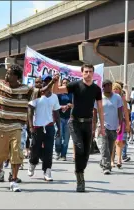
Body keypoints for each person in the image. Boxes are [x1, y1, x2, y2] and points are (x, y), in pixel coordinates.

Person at [0, 64, 56, 192]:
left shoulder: (26, 90)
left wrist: (53, 81)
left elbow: (42, 91)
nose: (6, 75)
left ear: (17, 77)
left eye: (9, 73)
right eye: (6, 73)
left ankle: (13, 180)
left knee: (16, 154)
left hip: (16, 127)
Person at [53, 63, 105, 192]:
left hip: (88, 123)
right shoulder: (75, 85)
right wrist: (55, 81)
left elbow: (99, 108)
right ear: (82, 73)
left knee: (86, 153)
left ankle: (79, 170)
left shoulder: (96, 89)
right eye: (85, 72)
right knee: (79, 148)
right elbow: (56, 90)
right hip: (74, 122)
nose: (88, 74)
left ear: (93, 73)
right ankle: (80, 178)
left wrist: (102, 126)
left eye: (90, 72)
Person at [27, 74, 61, 181]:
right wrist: (31, 126)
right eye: (45, 81)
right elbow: (30, 111)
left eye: (49, 81)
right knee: (35, 149)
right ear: (42, 82)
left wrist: (59, 128)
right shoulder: (36, 95)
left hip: (50, 127)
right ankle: (32, 163)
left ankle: (47, 171)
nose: (46, 82)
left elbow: (56, 113)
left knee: (49, 150)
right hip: (37, 127)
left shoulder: (54, 97)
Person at [93, 80, 123, 174]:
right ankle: (107, 167)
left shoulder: (117, 97)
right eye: (107, 85)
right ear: (103, 87)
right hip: (102, 125)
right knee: (104, 147)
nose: (109, 87)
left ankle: (103, 162)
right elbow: (94, 112)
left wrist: (120, 124)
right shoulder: (99, 98)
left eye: (110, 85)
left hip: (114, 126)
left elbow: (120, 112)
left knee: (110, 148)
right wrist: (94, 127)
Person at [55, 78, 73, 161]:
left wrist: (70, 105)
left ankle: (63, 154)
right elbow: (54, 105)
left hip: (69, 118)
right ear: (61, 84)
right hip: (60, 118)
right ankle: (58, 151)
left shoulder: (71, 94)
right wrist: (62, 107)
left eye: (67, 83)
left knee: (66, 138)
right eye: (64, 82)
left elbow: (75, 104)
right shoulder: (58, 94)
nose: (65, 84)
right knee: (59, 136)